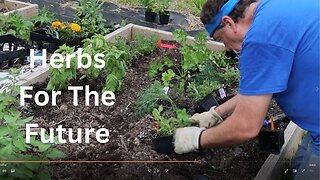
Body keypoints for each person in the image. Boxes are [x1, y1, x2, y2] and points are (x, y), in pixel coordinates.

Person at [172, 0, 320, 179]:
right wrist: (216, 113)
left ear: (229, 23)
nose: (226, 48)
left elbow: (246, 126)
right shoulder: (274, 7)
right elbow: (259, 90)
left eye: (220, 39)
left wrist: (197, 139)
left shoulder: (260, 39)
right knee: (301, 163)